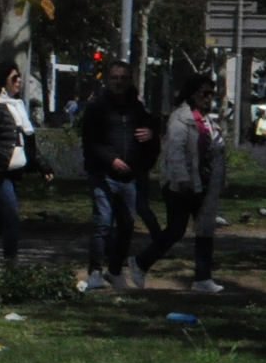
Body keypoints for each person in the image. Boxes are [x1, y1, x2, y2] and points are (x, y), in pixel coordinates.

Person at [136, 73, 227, 288]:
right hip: (181, 185)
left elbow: (214, 150)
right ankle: (139, 263)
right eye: (205, 93)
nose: (208, 98)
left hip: (204, 183)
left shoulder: (207, 120)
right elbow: (175, 152)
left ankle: (203, 278)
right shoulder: (180, 118)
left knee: (205, 229)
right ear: (193, 94)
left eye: (211, 94)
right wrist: (183, 179)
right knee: (176, 230)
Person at [78, 61, 156, 291]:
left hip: (130, 177)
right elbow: (89, 143)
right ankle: (94, 271)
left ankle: (114, 270)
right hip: (103, 174)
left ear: (130, 80)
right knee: (103, 221)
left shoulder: (138, 110)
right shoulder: (96, 109)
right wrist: (110, 160)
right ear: (107, 80)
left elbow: (152, 137)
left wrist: (151, 134)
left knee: (127, 224)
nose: (119, 82)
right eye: (114, 78)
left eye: (123, 78)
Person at [0, 61, 52, 267]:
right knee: (12, 217)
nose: (19, 81)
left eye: (19, 77)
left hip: (11, 172)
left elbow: (24, 143)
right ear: (3, 81)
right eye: (14, 77)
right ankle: (10, 263)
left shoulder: (17, 107)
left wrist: (43, 166)